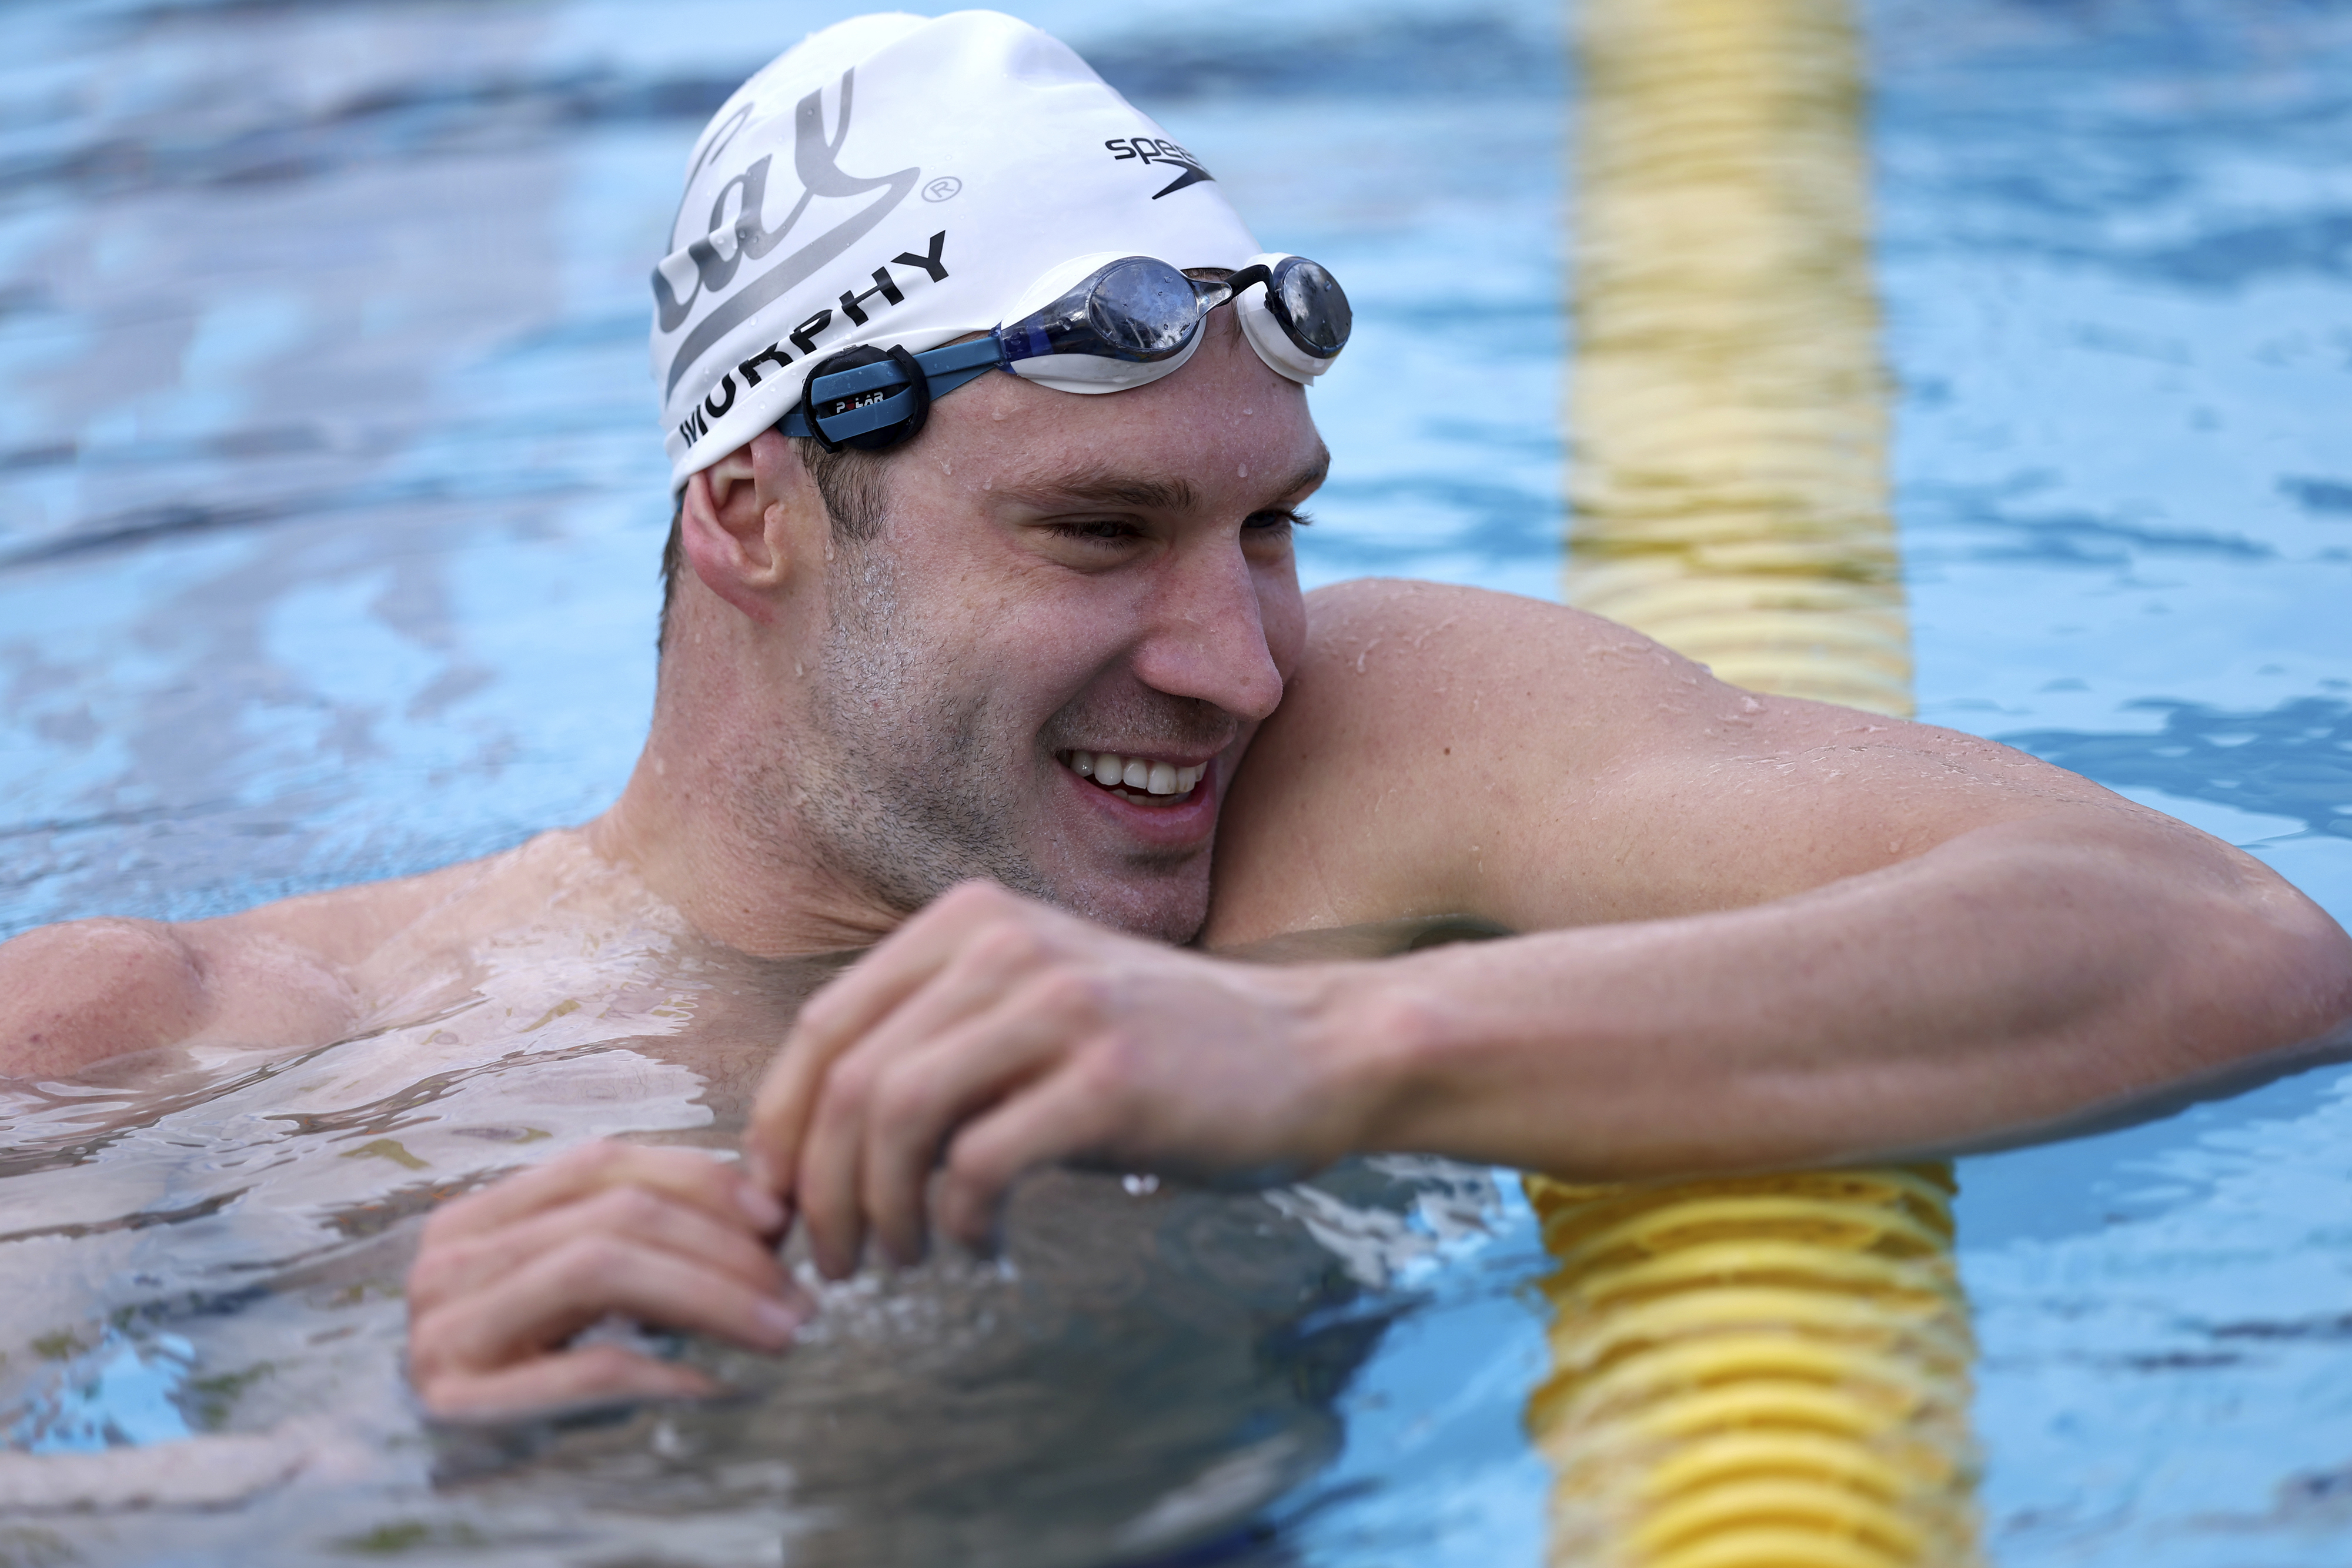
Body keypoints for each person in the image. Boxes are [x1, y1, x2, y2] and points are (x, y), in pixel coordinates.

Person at [3, 12, 2346, 1423]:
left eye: (1271, 529)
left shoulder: (1358, 783)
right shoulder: (173, 1049)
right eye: (1098, 534)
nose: (1236, 656)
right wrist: (389, 1472)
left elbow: (2224, 938)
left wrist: (1335, 1057)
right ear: (750, 511)